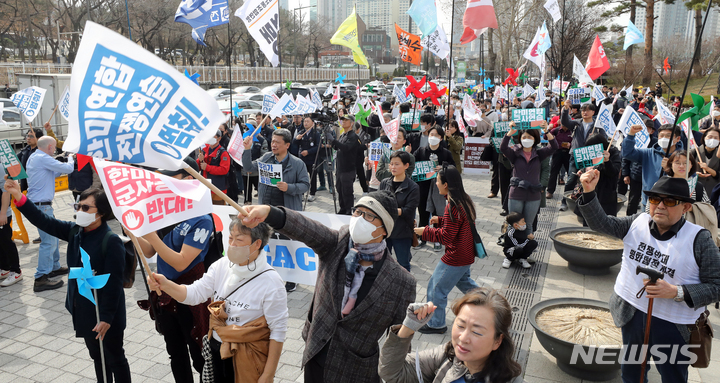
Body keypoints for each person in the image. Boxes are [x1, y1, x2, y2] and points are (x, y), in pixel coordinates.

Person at [239, 190, 416, 383]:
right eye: (357, 212)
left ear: (384, 229)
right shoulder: (337, 243)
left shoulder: (402, 282)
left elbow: (400, 341)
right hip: (316, 355)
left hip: (357, 370)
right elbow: (306, 228)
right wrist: (270, 213)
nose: (359, 219)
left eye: (369, 215)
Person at [578, 173, 720, 383]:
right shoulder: (638, 221)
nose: (660, 206)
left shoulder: (699, 239)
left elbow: (716, 286)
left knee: (673, 377)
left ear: (686, 207)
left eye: (669, 201)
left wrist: (676, 291)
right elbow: (602, 224)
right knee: (632, 374)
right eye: (655, 199)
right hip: (632, 315)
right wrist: (589, 192)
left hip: (674, 325)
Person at [6, 180, 131, 382]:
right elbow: (44, 221)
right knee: (97, 358)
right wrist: (19, 197)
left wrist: (107, 318)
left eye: (86, 207)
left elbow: (114, 284)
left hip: (106, 312)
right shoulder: (75, 232)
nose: (80, 210)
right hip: (84, 308)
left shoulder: (111, 240)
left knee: (115, 358)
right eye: (78, 206)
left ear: (101, 213)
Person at [147, 217, 288, 383]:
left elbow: (278, 332)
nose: (233, 244)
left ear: (257, 244)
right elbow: (195, 293)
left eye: (239, 239)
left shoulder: (272, 282)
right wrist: (166, 285)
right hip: (216, 351)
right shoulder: (221, 265)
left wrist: (268, 375)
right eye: (230, 238)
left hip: (248, 357)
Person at [132, 158, 213, 383]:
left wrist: (152, 237)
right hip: (164, 294)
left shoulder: (201, 219)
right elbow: (149, 251)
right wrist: (135, 229)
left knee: (199, 355)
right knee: (175, 353)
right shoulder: (164, 210)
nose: (163, 183)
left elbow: (181, 262)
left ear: (189, 179)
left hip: (190, 295)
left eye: (169, 177)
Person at [378, 289, 522, 383]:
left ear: (498, 341)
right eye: (460, 325)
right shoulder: (447, 356)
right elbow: (391, 373)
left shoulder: (510, 379)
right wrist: (408, 327)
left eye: (477, 332)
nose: (463, 338)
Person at [414, 165, 481, 334]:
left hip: (456, 256)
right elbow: (458, 225)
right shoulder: (463, 199)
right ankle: (489, 303)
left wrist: (425, 232)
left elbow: (446, 237)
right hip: (466, 253)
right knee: (466, 284)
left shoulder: (452, 205)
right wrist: (442, 220)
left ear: (446, 184)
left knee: (436, 288)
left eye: (437, 180)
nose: (435, 183)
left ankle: (437, 324)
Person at [242, 128, 310, 292]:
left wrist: (290, 187)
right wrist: (247, 150)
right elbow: (249, 168)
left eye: (277, 142)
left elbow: (305, 185)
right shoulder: (266, 158)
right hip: (266, 210)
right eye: (272, 141)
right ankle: (267, 275)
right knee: (266, 242)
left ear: (287, 145)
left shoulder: (297, 163)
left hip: (286, 211)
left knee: (288, 244)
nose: (273, 145)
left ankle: (291, 279)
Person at [26, 136, 74, 292]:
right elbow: (68, 169)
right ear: (49, 147)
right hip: (42, 206)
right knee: (49, 241)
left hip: (39, 205)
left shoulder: (34, 157)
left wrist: (59, 163)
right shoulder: (42, 158)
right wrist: (70, 159)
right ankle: (40, 278)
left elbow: (52, 175)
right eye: (54, 148)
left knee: (52, 236)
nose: (54, 151)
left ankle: (54, 267)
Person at [500, 123, 558, 236]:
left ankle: (528, 246)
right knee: (514, 222)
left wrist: (547, 132)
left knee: (529, 224)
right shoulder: (515, 153)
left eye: (530, 137)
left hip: (533, 194)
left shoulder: (539, 153)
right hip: (516, 192)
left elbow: (554, 147)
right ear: (520, 139)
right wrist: (509, 133)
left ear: (535, 138)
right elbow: (503, 148)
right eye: (524, 137)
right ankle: (511, 245)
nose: (527, 139)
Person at [413, 126, 455, 250]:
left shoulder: (445, 153)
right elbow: (412, 164)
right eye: (431, 134)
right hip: (423, 186)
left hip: (438, 188)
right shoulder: (421, 151)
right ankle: (423, 237)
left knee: (438, 212)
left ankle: (437, 238)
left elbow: (453, 167)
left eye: (436, 135)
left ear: (441, 138)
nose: (433, 137)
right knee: (423, 211)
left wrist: (443, 167)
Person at [623, 124, 684, 209]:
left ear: (677, 139)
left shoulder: (684, 157)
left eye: (668, 136)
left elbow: (687, 178)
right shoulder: (648, 153)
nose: (664, 138)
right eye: (661, 136)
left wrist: (669, 170)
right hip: (649, 201)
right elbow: (627, 153)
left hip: (671, 204)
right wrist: (631, 135)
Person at [379, 151, 420, 271]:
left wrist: (390, 210)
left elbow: (409, 210)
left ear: (406, 165)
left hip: (403, 231)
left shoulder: (413, 187)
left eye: (397, 164)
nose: (393, 167)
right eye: (391, 164)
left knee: (403, 265)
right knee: (382, 263)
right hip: (385, 230)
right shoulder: (384, 183)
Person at [559, 102, 603, 211]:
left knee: (587, 179)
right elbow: (564, 121)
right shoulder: (576, 124)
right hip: (576, 155)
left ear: (593, 112)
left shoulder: (598, 126)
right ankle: (564, 202)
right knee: (571, 179)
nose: (585, 112)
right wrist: (565, 108)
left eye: (588, 110)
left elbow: (604, 140)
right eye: (583, 110)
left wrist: (595, 138)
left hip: (591, 156)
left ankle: (586, 204)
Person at [331, 116, 366, 214]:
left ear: (351, 123)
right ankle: (342, 208)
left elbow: (346, 148)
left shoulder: (353, 136)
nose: (343, 122)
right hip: (340, 168)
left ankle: (348, 210)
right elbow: (337, 147)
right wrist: (331, 139)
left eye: (346, 120)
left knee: (347, 191)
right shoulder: (343, 135)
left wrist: (334, 141)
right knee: (339, 189)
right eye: (343, 120)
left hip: (348, 169)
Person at [198, 130, 231, 205]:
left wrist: (207, 167)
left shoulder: (223, 153)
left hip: (218, 189)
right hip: (205, 188)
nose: (211, 138)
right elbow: (198, 167)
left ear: (219, 139)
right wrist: (200, 161)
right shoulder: (204, 150)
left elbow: (224, 170)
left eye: (214, 137)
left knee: (218, 211)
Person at [292, 117, 321, 202]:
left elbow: (318, 147)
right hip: (302, 159)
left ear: (312, 123)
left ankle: (312, 193)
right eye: (304, 121)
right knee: (301, 177)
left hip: (312, 159)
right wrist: (296, 139)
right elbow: (294, 143)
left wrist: (308, 151)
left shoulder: (316, 133)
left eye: (308, 121)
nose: (306, 123)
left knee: (312, 177)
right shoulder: (301, 132)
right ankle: (301, 194)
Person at [0, 175, 22, 286]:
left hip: (2, 213)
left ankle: (16, 271)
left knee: (6, 241)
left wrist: (3, 212)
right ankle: (4, 268)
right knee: (1, 242)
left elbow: (6, 192)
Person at [546, 118, 573, 199]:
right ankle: (550, 191)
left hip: (568, 153)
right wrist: (548, 129)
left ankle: (571, 191)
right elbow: (545, 137)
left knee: (570, 173)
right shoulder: (556, 130)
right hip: (557, 153)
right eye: (563, 125)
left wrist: (570, 145)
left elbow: (577, 141)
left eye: (566, 125)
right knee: (553, 172)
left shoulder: (572, 131)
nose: (564, 127)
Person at [18, 127, 44, 193]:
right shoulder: (25, 150)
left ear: (39, 139)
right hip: (25, 184)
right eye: (28, 136)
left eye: (31, 136)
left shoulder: (41, 152)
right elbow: (14, 158)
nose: (28, 138)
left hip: (37, 186)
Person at [696, 127, 720, 193]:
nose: (713, 140)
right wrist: (696, 174)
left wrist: (708, 169)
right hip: (696, 189)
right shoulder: (694, 152)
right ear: (704, 137)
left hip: (713, 190)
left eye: (716, 138)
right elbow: (687, 171)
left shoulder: (719, 154)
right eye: (710, 137)